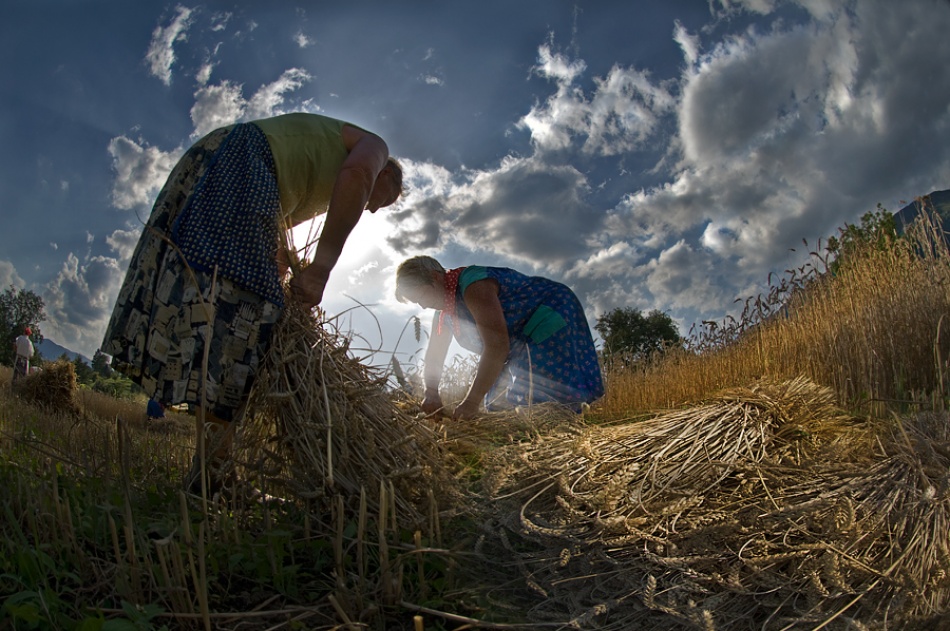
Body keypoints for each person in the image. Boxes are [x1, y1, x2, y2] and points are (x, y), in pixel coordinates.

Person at [101, 112, 404, 493]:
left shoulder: (304, 183)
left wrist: (281, 287)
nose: (374, 210)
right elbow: (358, 177)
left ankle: (214, 469)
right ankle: (216, 473)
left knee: (230, 320)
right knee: (241, 326)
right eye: (384, 200)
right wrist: (322, 270)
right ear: (386, 174)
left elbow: (276, 243)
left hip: (221, 163)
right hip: (243, 162)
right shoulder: (374, 147)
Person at [394, 256, 604, 420]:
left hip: (548, 312)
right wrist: (431, 392)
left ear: (435, 277)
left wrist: (470, 403)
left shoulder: (474, 285)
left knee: (541, 396)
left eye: (420, 296)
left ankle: (564, 442)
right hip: (518, 339)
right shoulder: (444, 313)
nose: (422, 305)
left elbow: (496, 346)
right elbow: (435, 356)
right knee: (496, 405)